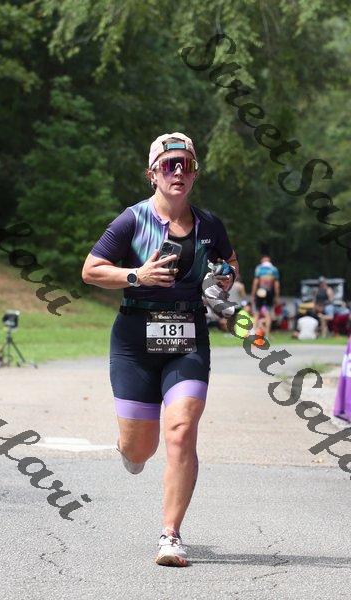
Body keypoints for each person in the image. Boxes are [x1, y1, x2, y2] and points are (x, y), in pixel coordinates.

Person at [82, 132, 239, 567]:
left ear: (195, 174)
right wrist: (138, 275)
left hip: (187, 336)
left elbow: (230, 263)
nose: (178, 172)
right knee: (140, 449)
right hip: (134, 340)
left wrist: (221, 279)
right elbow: (91, 270)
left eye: (186, 165)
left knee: (182, 430)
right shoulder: (131, 220)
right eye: (169, 165)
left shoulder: (209, 225)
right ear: (152, 174)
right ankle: (128, 446)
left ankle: (171, 534)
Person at [251, 255, 280, 337]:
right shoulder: (274, 269)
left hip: (260, 291)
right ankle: (267, 335)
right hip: (269, 292)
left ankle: (254, 333)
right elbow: (277, 285)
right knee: (268, 314)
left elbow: (255, 282)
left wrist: (253, 295)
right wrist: (277, 297)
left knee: (257, 313)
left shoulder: (259, 268)